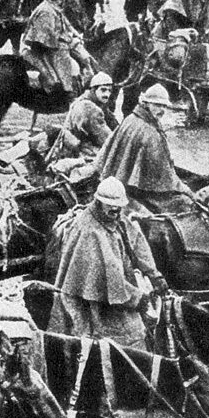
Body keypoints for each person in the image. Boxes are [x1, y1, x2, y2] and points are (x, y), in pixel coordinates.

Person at [47, 178, 169, 347]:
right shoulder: (90, 232)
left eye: (118, 205)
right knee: (130, 341)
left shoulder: (116, 217)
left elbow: (137, 243)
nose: (115, 208)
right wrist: (139, 298)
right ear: (98, 202)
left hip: (122, 293)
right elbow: (110, 283)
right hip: (96, 303)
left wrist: (154, 274)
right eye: (109, 204)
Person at [93, 83, 193, 213]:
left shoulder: (131, 118)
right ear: (146, 103)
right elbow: (164, 177)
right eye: (157, 105)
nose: (161, 109)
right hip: (138, 192)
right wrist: (186, 190)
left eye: (164, 106)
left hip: (120, 181)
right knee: (185, 203)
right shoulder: (150, 134)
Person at [21, 0, 94, 94]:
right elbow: (48, 38)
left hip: (56, 44)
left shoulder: (54, 8)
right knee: (68, 66)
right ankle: (68, 91)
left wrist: (76, 35)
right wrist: (69, 39)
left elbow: (67, 24)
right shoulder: (46, 12)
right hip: (45, 48)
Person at [47, 71, 119, 170]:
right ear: (93, 90)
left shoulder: (83, 100)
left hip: (69, 147)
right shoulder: (90, 108)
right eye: (103, 90)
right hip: (80, 150)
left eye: (109, 91)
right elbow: (106, 139)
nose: (107, 94)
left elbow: (112, 121)